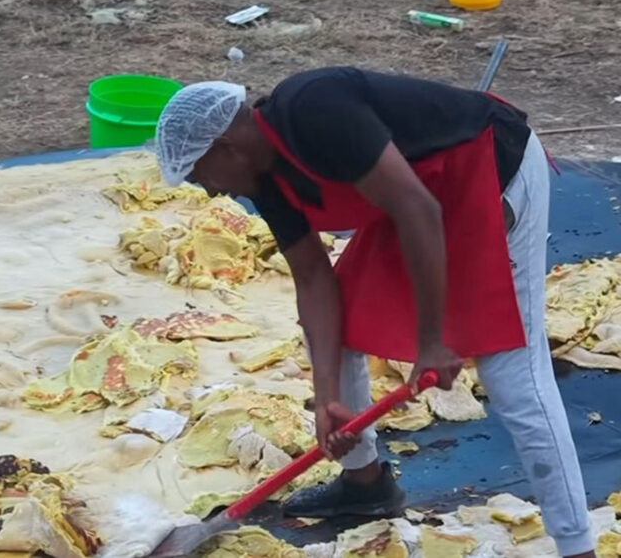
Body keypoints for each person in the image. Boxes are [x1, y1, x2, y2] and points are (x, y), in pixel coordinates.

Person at [153, 67, 594, 558]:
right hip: (412, 196)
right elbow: (315, 280)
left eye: (202, 174)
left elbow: (419, 212)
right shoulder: (264, 181)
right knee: (345, 321)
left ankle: (577, 545)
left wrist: (432, 341)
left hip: (487, 170)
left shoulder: (315, 109)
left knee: (512, 371)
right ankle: (366, 485)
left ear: (226, 146)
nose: (212, 191)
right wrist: (326, 401)